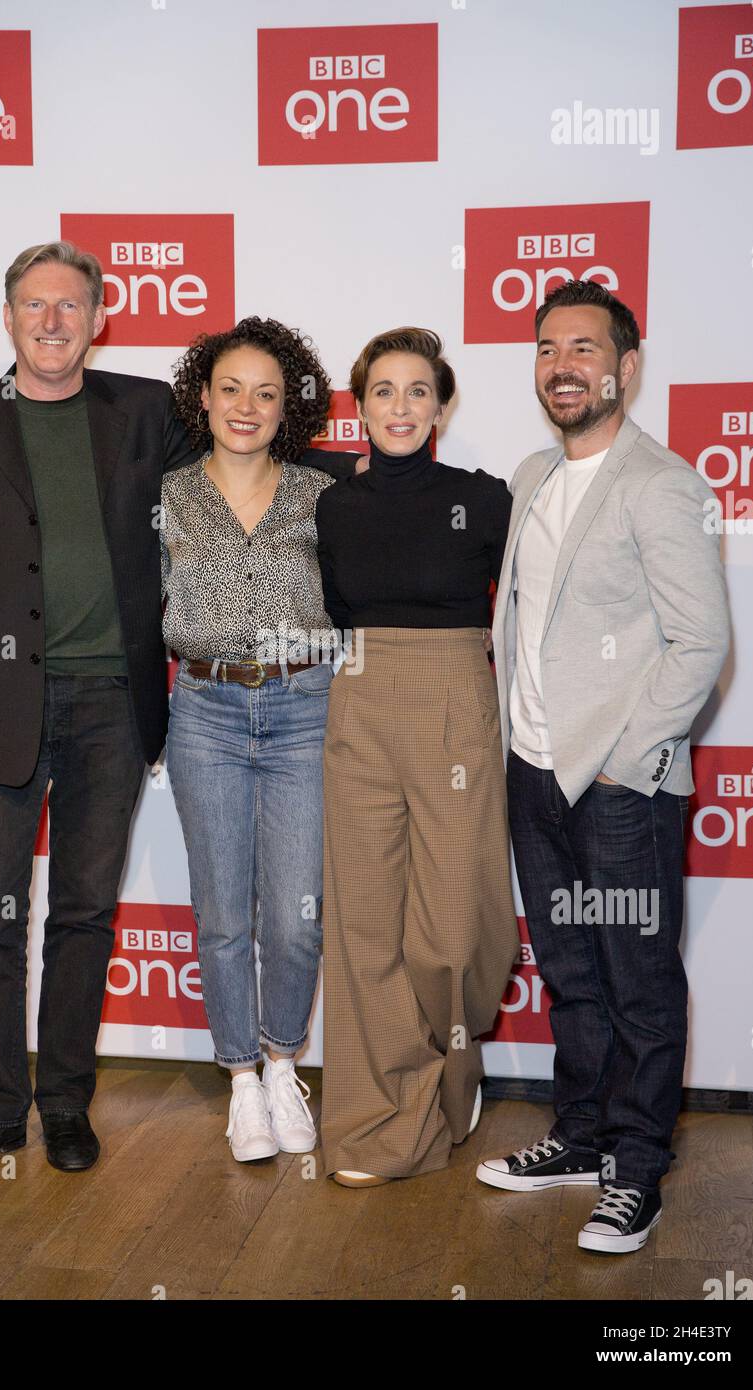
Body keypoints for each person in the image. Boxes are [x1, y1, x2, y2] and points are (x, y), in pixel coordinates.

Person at [0, 244, 355, 1179]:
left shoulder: (145, 412)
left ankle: (65, 1102)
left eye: (71, 307)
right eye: (35, 305)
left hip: (115, 703)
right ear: (7, 316)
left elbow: (255, 451)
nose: (52, 322)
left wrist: (388, 473)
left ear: (100, 318)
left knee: (83, 914)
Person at [476, 280, 730, 1254]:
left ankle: (635, 1171)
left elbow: (699, 642)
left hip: (618, 790)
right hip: (532, 778)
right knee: (571, 975)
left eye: (582, 347)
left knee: (636, 982)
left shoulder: (659, 483)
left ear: (625, 365)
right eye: (546, 348)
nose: (561, 365)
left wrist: (630, 761)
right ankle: (580, 1137)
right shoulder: (532, 473)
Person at [314, 327, 519, 1187]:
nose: (400, 407)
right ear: (358, 407)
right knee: (363, 923)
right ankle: (376, 1122)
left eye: (417, 391)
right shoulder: (332, 504)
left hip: (453, 706)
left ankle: (454, 1063)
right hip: (359, 700)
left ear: (441, 404)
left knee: (454, 929)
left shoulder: (489, 498)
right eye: (382, 391)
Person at [162, 317, 343, 1162]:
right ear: (203, 396)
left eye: (265, 393)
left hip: (305, 708)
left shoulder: (320, 495)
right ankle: (239, 1079)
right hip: (203, 711)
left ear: (288, 408)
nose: (246, 406)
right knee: (223, 914)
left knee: (298, 916)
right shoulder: (164, 496)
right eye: (230, 387)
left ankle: (282, 1065)